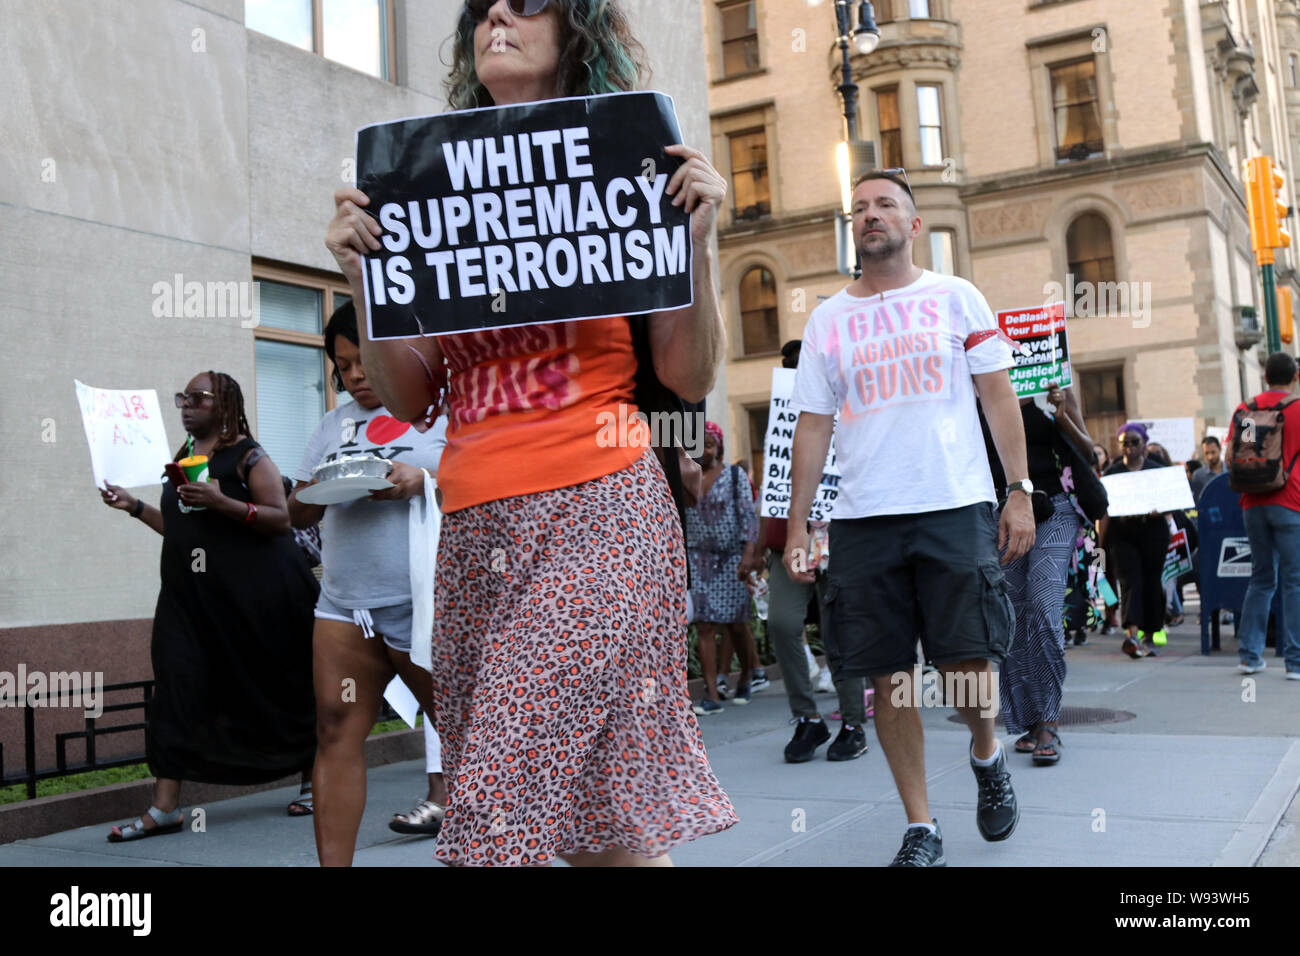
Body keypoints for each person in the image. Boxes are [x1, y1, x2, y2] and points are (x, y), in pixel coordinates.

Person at [324, 0, 736, 866]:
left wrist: (699, 249)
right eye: (482, 7)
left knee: (496, 803)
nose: (499, 13)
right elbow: (408, 394)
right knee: (605, 824)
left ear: (576, 33)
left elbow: (690, 377)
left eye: (529, 0)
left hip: (603, 513)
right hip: (476, 529)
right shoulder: (428, 189)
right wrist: (367, 283)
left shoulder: (629, 166)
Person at [785, 170, 1034, 866]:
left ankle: (987, 753)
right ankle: (921, 827)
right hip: (864, 520)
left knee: (966, 669)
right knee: (888, 677)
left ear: (913, 224)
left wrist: (1019, 490)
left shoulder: (956, 298)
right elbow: (811, 426)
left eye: (885, 204)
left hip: (953, 505)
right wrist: (799, 524)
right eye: (859, 207)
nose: (870, 215)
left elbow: (997, 396)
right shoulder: (829, 319)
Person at [99, 373, 317, 840]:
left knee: (277, 685)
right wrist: (135, 506)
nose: (185, 405)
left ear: (225, 404)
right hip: (189, 601)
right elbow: (182, 531)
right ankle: (165, 809)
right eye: (183, 398)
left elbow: (281, 519)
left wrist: (224, 504)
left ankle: (311, 777)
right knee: (175, 689)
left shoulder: (251, 457)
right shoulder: (183, 460)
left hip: (254, 599)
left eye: (197, 398)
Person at [287, 302, 449, 866]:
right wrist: (319, 490)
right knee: (335, 731)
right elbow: (297, 510)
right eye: (343, 364)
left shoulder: (443, 411)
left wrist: (422, 478)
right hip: (343, 605)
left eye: (364, 360)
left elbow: (484, 481)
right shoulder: (333, 423)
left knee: (461, 734)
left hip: (422, 604)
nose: (354, 375)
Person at [751, 339, 868, 762]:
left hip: (840, 538)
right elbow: (774, 485)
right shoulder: (784, 414)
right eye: (790, 367)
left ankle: (853, 723)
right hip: (792, 540)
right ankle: (807, 719)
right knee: (782, 623)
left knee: (839, 631)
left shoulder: (851, 409)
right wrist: (763, 541)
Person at [984, 385, 1093, 765]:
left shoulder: (1053, 391)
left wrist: (1064, 413)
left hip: (1055, 511)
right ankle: (1028, 720)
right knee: (1013, 615)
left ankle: (1049, 720)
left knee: (1044, 608)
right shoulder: (984, 393)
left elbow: (1089, 452)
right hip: (1002, 513)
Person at [1227, 352, 1300, 678]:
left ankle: (1249, 656)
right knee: (1295, 582)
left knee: (1260, 580)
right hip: (1290, 502)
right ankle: (1295, 662)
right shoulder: (1297, 408)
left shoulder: (1245, 409)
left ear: (1265, 375)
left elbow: (1232, 457)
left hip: (1252, 504)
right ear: (1294, 377)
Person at [687, 422, 760, 714]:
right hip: (698, 558)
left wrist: (749, 554)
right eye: (698, 444)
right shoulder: (685, 474)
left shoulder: (733, 475)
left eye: (709, 444)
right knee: (705, 624)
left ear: (719, 446)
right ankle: (712, 694)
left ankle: (745, 675)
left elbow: (748, 516)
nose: (704, 450)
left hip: (732, 558)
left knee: (735, 623)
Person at [1101, 423, 1171, 658]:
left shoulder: (1157, 469)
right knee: (1129, 581)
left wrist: (1159, 511)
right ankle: (1132, 633)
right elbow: (1106, 511)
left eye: (1134, 442)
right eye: (1125, 443)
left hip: (1153, 532)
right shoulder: (1112, 472)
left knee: (1152, 581)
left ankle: (1151, 634)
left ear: (1144, 443)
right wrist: (1100, 543)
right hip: (1123, 535)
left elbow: (1171, 502)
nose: (1130, 448)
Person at [1189, 435, 1226, 501]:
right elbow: (1197, 500)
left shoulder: (1231, 471)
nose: (1210, 457)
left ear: (1220, 449)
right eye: (1207, 453)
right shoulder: (1198, 475)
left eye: (1213, 452)